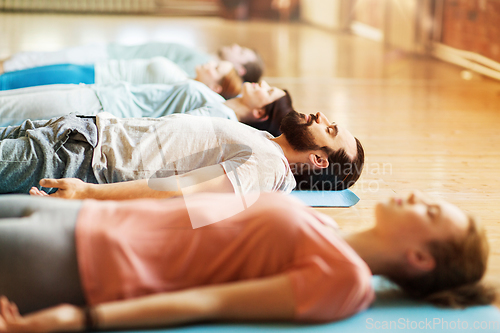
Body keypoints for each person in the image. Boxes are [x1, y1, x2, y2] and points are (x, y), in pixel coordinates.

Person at [0, 191, 493, 332]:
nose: (416, 196)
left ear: (420, 258)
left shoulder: (345, 283)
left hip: (80, 262)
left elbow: (212, 301)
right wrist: (93, 197)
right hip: (82, 217)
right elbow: (184, 205)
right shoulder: (327, 227)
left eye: (430, 212)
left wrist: (83, 320)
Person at [0, 108, 363, 196]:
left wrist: (91, 194)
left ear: (318, 159)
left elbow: (183, 191)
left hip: (79, 159)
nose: (320, 116)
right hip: (81, 130)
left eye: (328, 130)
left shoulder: (268, 168)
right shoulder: (266, 144)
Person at [0, 80, 288, 136]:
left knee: (5, 109)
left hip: (96, 106)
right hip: (97, 94)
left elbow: (164, 129)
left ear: (261, 114)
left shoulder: (220, 115)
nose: (262, 84)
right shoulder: (220, 103)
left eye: (269, 91)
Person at [0, 42, 264, 83]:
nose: (235, 47)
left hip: (108, 62)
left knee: (29, 63)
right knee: (31, 63)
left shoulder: (203, 63)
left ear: (240, 70)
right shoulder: (203, 59)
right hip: (110, 58)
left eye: (241, 52)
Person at [0, 58, 243, 99]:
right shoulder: (184, 78)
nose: (209, 63)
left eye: (215, 68)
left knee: (9, 84)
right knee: (10, 80)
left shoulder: (184, 87)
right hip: (91, 69)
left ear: (215, 86)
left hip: (90, 80)